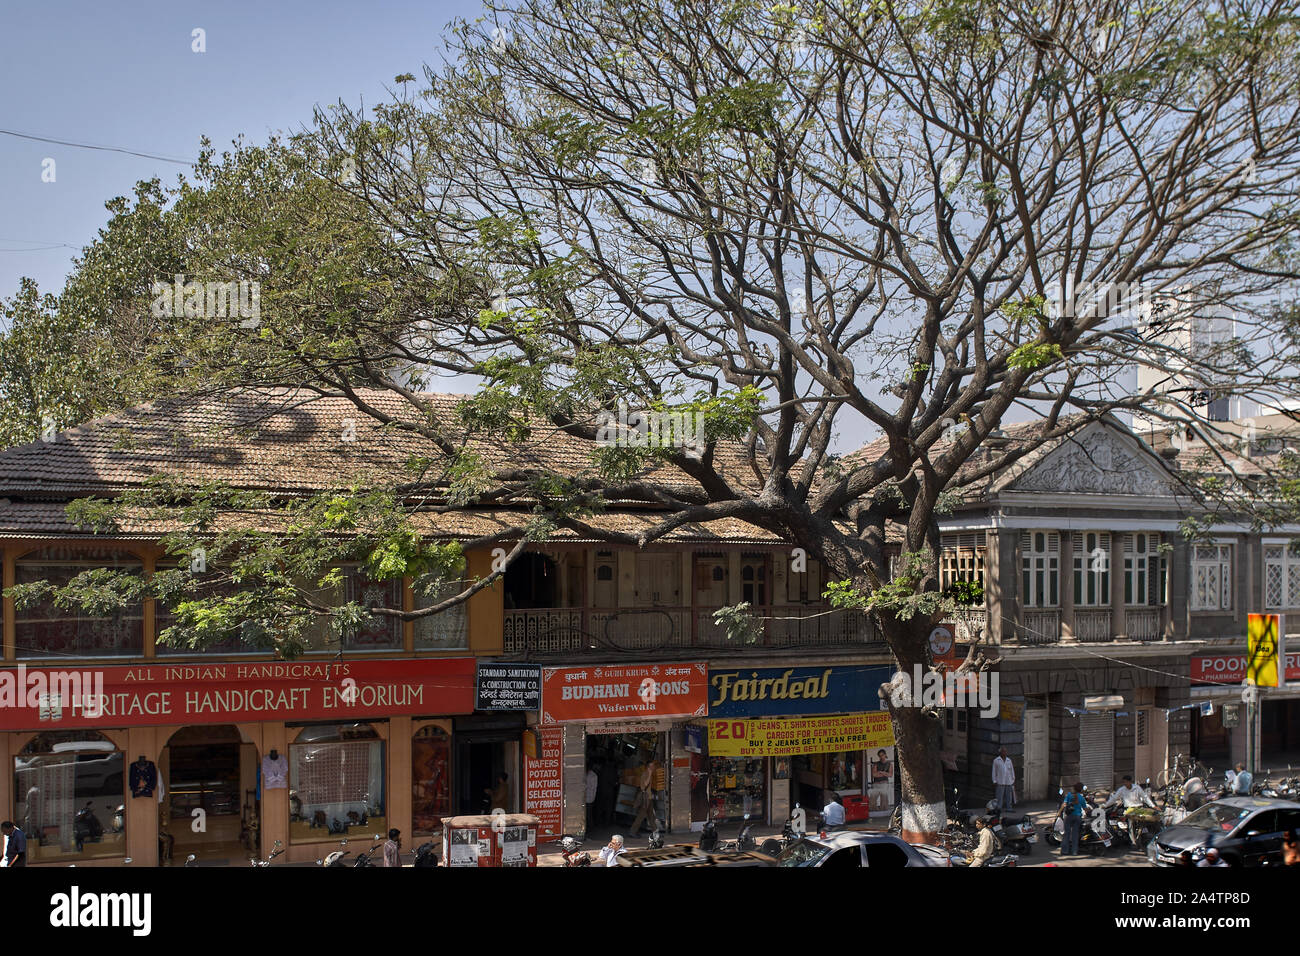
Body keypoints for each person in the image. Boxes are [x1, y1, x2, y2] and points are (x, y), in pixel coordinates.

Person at [629, 757, 661, 834]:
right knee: (641, 816)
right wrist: (649, 774)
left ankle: (656, 832)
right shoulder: (645, 774)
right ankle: (632, 832)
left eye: (653, 766)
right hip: (645, 799)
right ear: (648, 767)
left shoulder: (649, 774)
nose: (653, 767)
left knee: (651, 816)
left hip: (649, 798)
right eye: (651, 766)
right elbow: (644, 785)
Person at [1058, 783, 1086, 857]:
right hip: (1078, 817)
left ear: (1074, 788)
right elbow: (1085, 808)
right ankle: (1074, 851)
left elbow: (1064, 804)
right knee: (1075, 835)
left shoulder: (1069, 795)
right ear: (1081, 790)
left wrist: (1059, 812)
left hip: (1069, 816)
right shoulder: (1081, 798)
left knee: (1066, 834)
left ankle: (1065, 851)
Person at [585, 766, 599, 831]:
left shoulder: (592, 775)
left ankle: (590, 827)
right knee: (588, 813)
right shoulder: (590, 775)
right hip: (589, 797)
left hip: (589, 797)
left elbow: (590, 786)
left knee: (588, 813)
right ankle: (590, 827)